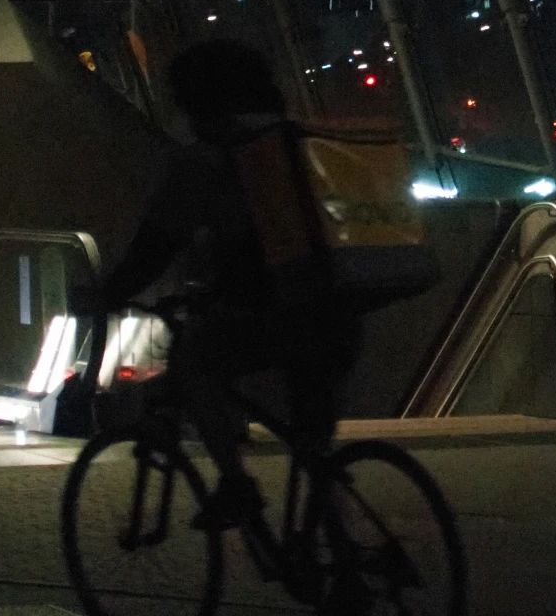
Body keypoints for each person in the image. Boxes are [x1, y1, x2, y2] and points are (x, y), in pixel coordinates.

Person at [83, 41, 359, 529]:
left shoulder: (208, 160)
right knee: (315, 450)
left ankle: (236, 484)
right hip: (342, 314)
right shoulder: (301, 141)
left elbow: (157, 246)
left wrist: (106, 293)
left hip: (276, 319)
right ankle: (349, 564)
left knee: (194, 364)